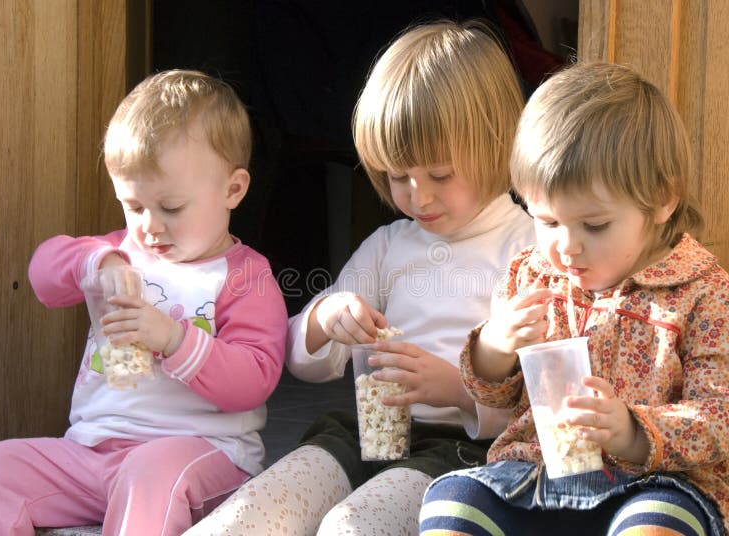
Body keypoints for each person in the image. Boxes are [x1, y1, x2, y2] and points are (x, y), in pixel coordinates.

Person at [185, 19, 536, 535]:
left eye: (440, 175)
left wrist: (460, 390)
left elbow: (545, 401)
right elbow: (305, 360)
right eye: (398, 177)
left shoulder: (528, 247)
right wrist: (328, 318)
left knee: (353, 526)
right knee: (248, 514)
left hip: (465, 452)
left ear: (498, 143)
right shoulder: (389, 246)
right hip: (365, 433)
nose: (418, 197)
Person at [419, 62, 729, 536]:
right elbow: (494, 394)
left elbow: (727, 418)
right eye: (548, 221)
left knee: (657, 526)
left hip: (655, 486)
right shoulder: (530, 274)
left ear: (662, 198)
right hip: (535, 478)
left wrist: (632, 431)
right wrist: (494, 348)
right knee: (452, 504)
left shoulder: (711, 298)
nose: (566, 246)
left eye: (594, 225)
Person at [0, 70, 288, 535]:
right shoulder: (118, 255)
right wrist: (99, 263)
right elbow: (44, 274)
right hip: (91, 453)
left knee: (152, 472)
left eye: (172, 208)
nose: (150, 226)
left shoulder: (245, 276)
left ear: (233, 190)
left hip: (201, 454)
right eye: (135, 206)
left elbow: (253, 381)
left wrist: (172, 339)